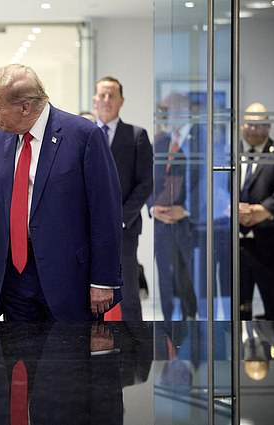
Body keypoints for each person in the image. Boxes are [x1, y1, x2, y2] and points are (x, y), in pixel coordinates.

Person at [0, 64, 123, 322]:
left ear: (25, 107)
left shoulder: (83, 136)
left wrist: (103, 280)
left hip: (68, 278)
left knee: (69, 359)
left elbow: (105, 212)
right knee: (17, 359)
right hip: (14, 277)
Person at [92, 76, 153, 321]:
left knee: (127, 291)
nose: (107, 100)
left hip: (124, 229)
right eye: (102, 95)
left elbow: (145, 183)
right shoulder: (84, 134)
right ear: (95, 100)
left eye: (112, 95)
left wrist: (120, 218)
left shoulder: (136, 136)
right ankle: (88, 352)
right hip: (88, 229)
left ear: (121, 101)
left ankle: (134, 355)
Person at [150, 92, 199, 321]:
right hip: (162, 224)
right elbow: (147, 179)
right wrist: (152, 207)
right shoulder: (159, 141)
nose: (165, 114)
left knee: (191, 280)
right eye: (163, 110)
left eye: (169, 109)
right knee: (166, 280)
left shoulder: (203, 139)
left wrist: (187, 208)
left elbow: (213, 183)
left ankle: (196, 336)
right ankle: (170, 337)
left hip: (192, 224)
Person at [238, 102, 274, 320]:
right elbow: (216, 188)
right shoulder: (231, 153)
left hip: (270, 247)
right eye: (249, 123)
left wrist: (264, 209)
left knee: (273, 307)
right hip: (235, 247)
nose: (252, 129)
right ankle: (240, 353)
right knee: (238, 311)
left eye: (258, 124)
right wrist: (230, 207)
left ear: (268, 127)